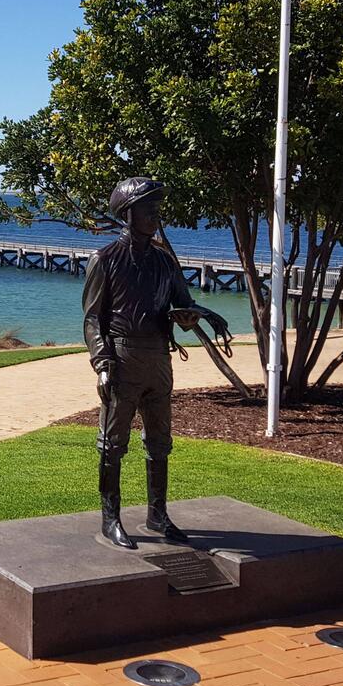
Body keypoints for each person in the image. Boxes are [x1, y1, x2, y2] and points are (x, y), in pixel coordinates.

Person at [81, 177, 231, 549]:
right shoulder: (105, 259)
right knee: (112, 444)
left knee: (160, 443)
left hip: (159, 359)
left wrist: (196, 316)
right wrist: (102, 363)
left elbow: (183, 303)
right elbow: (92, 319)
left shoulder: (165, 260)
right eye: (148, 209)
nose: (155, 215)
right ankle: (110, 518)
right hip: (122, 358)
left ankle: (157, 514)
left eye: (156, 209)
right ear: (127, 213)